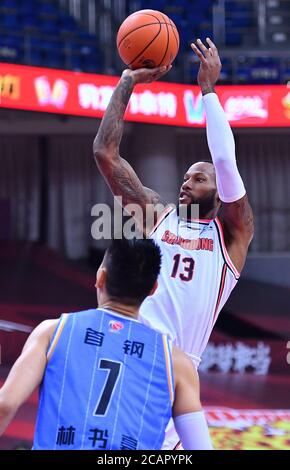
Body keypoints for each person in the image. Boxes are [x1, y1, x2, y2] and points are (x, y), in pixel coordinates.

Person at [93, 38, 254, 449]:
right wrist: (127, 82)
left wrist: (208, 91)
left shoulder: (232, 234)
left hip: (178, 372)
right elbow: (106, 154)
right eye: (184, 175)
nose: (187, 181)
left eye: (199, 177)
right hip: (129, 353)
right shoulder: (157, 215)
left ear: (220, 193)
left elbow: (224, 162)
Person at [0, 238, 208, 450]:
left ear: (100, 277)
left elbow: (5, 405)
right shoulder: (176, 362)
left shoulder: (53, 331)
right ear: (153, 289)